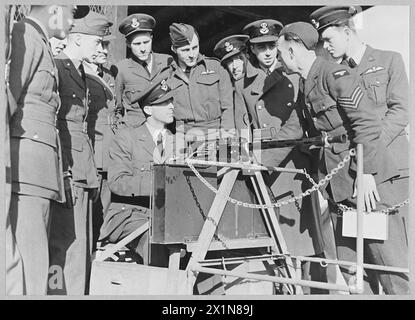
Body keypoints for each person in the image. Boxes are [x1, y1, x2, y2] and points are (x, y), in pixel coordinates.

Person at [277, 21, 409, 294]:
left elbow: (367, 124)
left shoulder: (333, 74)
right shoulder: (306, 82)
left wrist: (367, 173)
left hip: (364, 186)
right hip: (339, 188)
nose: (280, 61)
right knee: (355, 274)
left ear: (292, 52)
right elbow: (293, 130)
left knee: (388, 269)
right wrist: (249, 152)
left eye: (281, 54)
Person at [237, 20, 326, 291]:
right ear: (251, 50)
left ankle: (317, 293)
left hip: (293, 167)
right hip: (263, 168)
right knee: (273, 245)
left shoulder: (297, 76)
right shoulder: (243, 85)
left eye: (271, 46)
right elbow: (243, 128)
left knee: (308, 243)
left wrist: (267, 159)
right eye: (260, 47)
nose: (267, 53)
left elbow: (299, 124)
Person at [7, 4, 83, 295]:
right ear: (54, 8)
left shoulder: (40, 42)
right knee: (29, 265)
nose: (73, 20)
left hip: (39, 174)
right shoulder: (24, 33)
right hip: (25, 171)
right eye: (72, 10)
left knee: (38, 264)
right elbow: (8, 101)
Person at [48, 11, 113, 295]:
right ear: (76, 39)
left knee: (80, 247)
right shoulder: (58, 68)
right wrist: (61, 169)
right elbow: (56, 122)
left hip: (82, 169)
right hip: (68, 167)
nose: (101, 48)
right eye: (97, 42)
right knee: (63, 246)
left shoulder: (80, 73)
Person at [99, 78, 176, 266]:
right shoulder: (127, 137)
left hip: (168, 217)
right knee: (155, 244)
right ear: (148, 110)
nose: (171, 106)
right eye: (164, 103)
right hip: (131, 215)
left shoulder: (178, 141)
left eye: (171, 101)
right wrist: (160, 185)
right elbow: (118, 181)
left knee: (198, 245)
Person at [168, 22, 234, 142]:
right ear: (174, 49)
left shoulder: (216, 67)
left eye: (195, 47)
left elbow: (228, 106)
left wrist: (226, 134)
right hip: (184, 138)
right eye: (186, 50)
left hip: (216, 135)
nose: (192, 54)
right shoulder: (168, 75)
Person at [84, 29, 118, 252]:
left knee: (104, 213)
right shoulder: (80, 75)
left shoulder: (108, 75)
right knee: (88, 214)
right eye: (100, 45)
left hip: (109, 156)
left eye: (107, 46)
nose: (105, 51)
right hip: (91, 156)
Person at [115, 14, 174, 126]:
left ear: (151, 38)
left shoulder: (167, 61)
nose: (142, 49)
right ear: (128, 44)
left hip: (165, 128)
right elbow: (118, 108)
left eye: (146, 42)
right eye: (137, 44)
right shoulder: (121, 69)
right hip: (136, 131)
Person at [213, 34, 250, 132]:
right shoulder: (225, 92)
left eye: (238, 59)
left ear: (247, 56)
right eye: (230, 62)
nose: (234, 67)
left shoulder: (259, 83)